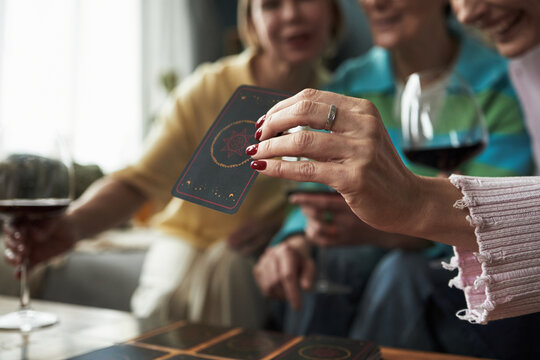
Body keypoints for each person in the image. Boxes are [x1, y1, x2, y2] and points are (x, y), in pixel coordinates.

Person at [3, 0, 342, 328]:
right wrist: (70, 227)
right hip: (185, 236)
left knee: (231, 271)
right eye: (271, 4)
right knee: (165, 296)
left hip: (252, 250)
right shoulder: (208, 87)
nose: (292, 15)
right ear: (250, 20)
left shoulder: (342, 98)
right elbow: (138, 181)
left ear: (332, 9)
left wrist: (277, 228)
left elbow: (325, 196)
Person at [246, 0, 540, 358]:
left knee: (401, 272)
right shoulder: (350, 84)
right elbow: (313, 190)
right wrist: (294, 240)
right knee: (317, 265)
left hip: (447, 267)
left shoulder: (501, 80)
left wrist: (395, 230)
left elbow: (497, 222)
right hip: (366, 257)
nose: (374, 3)